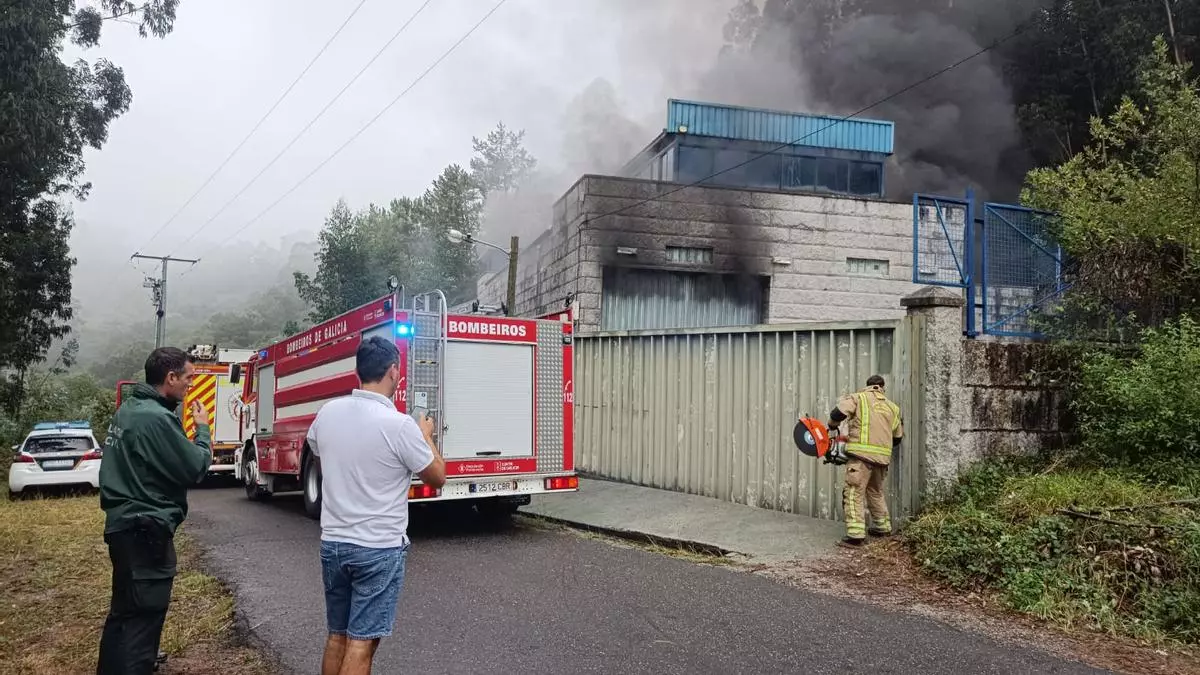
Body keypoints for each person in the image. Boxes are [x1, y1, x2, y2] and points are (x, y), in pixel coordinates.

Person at [307, 335, 446, 675]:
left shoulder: (328, 413)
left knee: (337, 635)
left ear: (358, 371)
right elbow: (437, 477)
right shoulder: (399, 425)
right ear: (393, 371)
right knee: (362, 642)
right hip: (378, 548)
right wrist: (425, 435)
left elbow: (319, 455)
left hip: (333, 544)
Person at [98, 347, 213, 674]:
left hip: (123, 528)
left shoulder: (129, 409)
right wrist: (202, 429)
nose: (191, 384)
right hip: (146, 531)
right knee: (143, 623)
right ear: (171, 377)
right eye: (188, 377)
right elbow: (195, 467)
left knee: (123, 615)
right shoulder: (156, 418)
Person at [828, 374, 903, 547]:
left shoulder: (858, 398)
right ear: (883, 387)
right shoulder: (893, 407)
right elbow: (897, 438)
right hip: (882, 459)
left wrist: (832, 425)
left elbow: (838, 413)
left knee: (854, 492)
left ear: (868, 385)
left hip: (861, 457)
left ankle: (855, 536)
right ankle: (883, 528)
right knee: (875, 491)